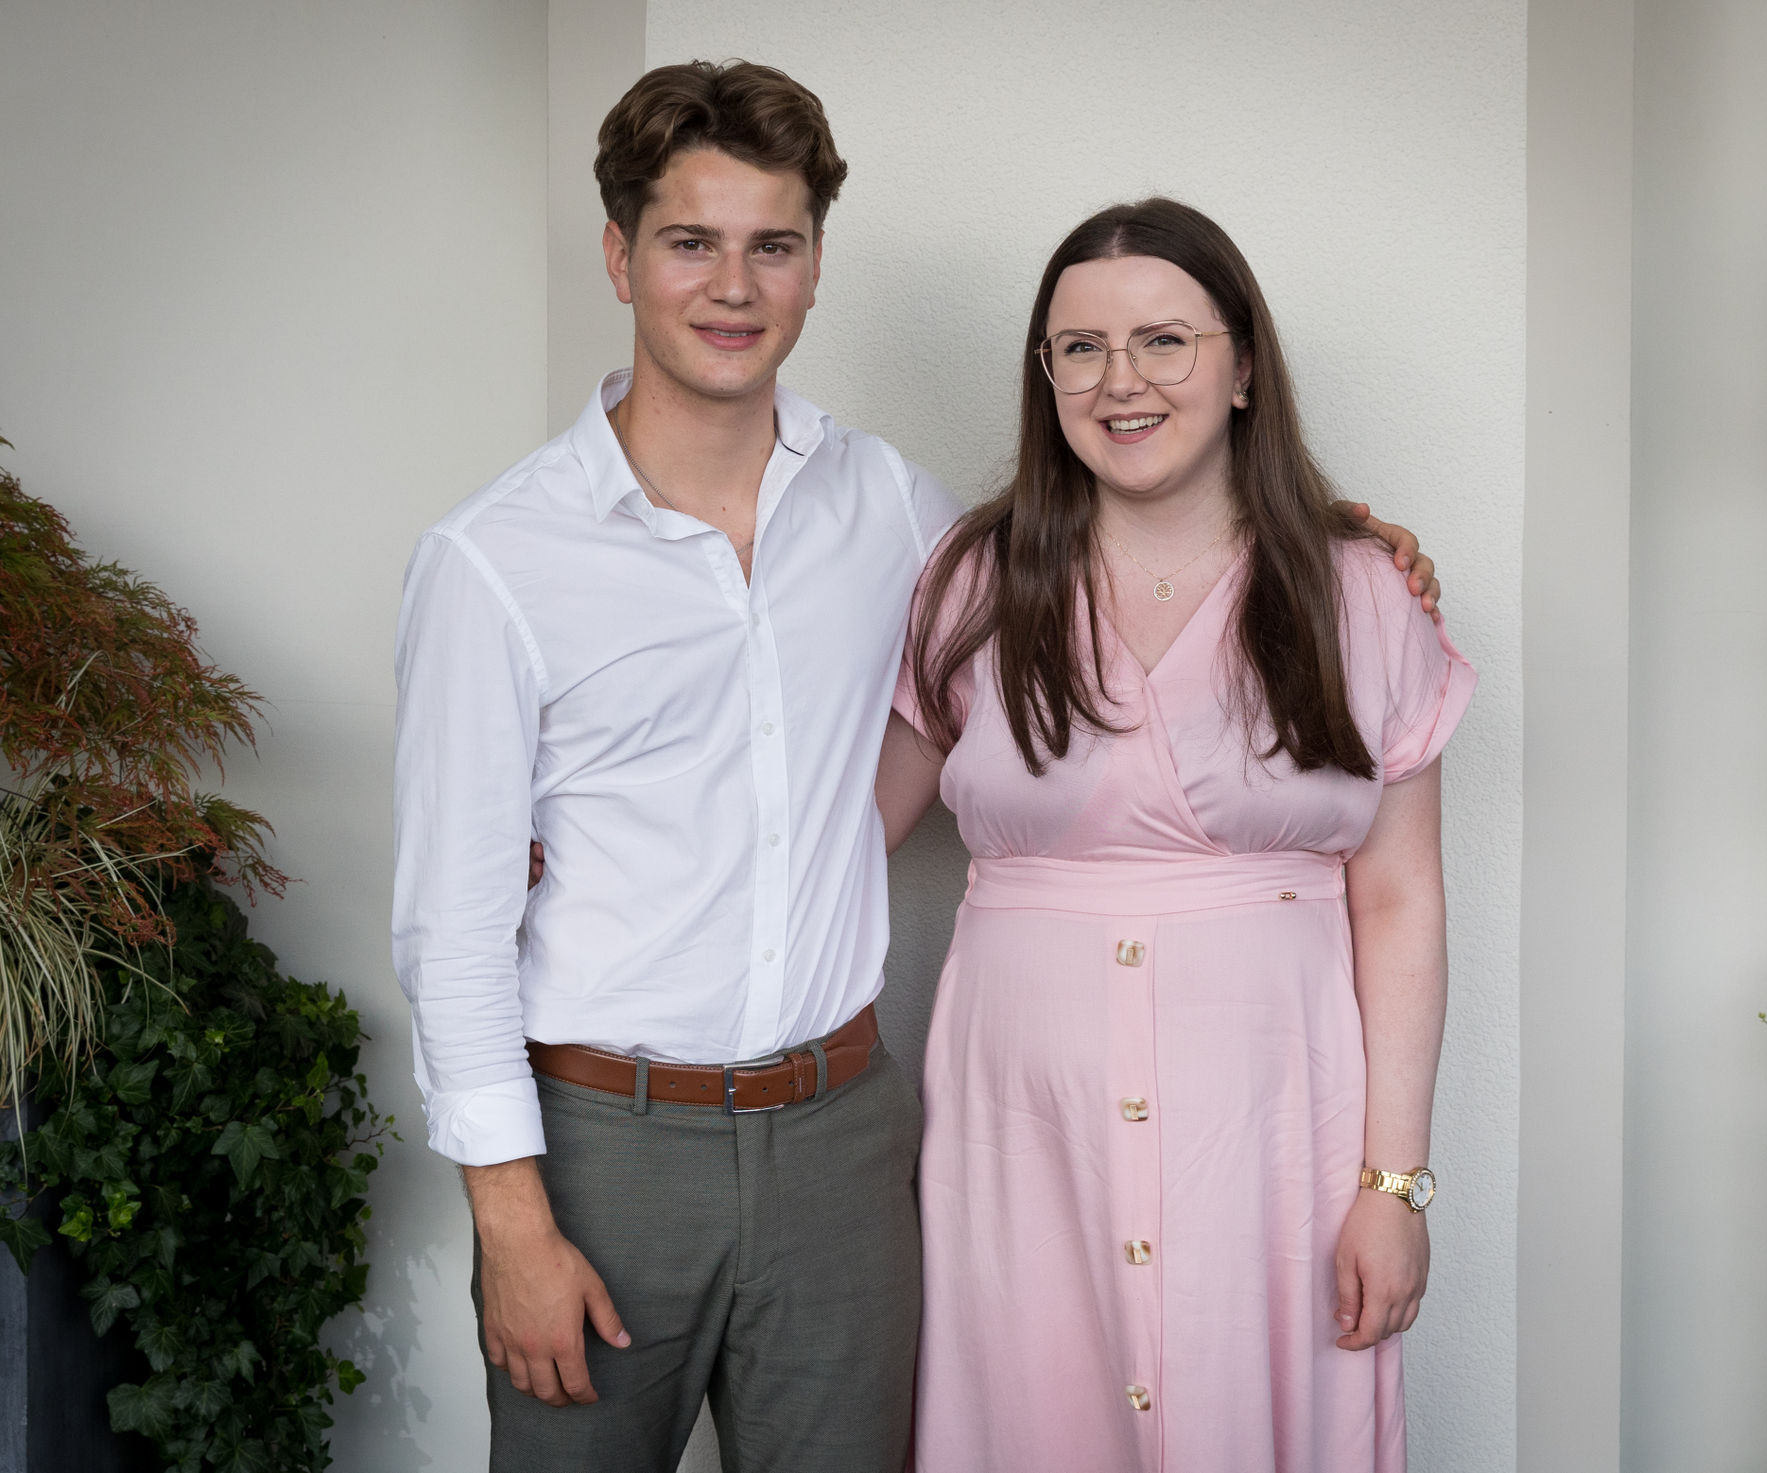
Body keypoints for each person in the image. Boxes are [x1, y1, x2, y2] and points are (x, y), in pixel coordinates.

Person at [393, 59, 1443, 1473]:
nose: (733, 285)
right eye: (691, 242)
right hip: (608, 1138)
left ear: (816, 266)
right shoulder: (495, 559)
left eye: (773, 245)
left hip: (843, 1135)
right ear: (619, 257)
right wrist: (510, 1219)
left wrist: (1343, 547)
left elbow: (1142, 539)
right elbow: (450, 927)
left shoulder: (894, 514)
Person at [876, 198, 1474, 1472]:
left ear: (1243, 365)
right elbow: (837, 835)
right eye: (1081, 348)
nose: (1121, 380)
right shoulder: (973, 582)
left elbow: (1401, 902)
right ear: (1045, 376)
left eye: (1164, 341)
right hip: (1022, 1136)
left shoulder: (1360, 591)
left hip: (1277, 1140)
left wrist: (1396, 1188)